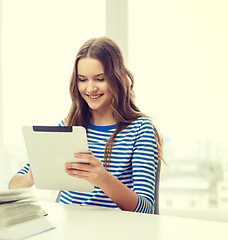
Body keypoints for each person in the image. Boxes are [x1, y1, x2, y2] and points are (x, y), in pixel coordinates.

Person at [9, 36, 163, 214]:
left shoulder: (140, 130)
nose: (90, 89)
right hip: (68, 229)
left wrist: (102, 178)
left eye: (100, 79)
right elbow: (13, 185)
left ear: (117, 78)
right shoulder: (68, 126)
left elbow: (146, 210)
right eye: (82, 80)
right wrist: (31, 177)